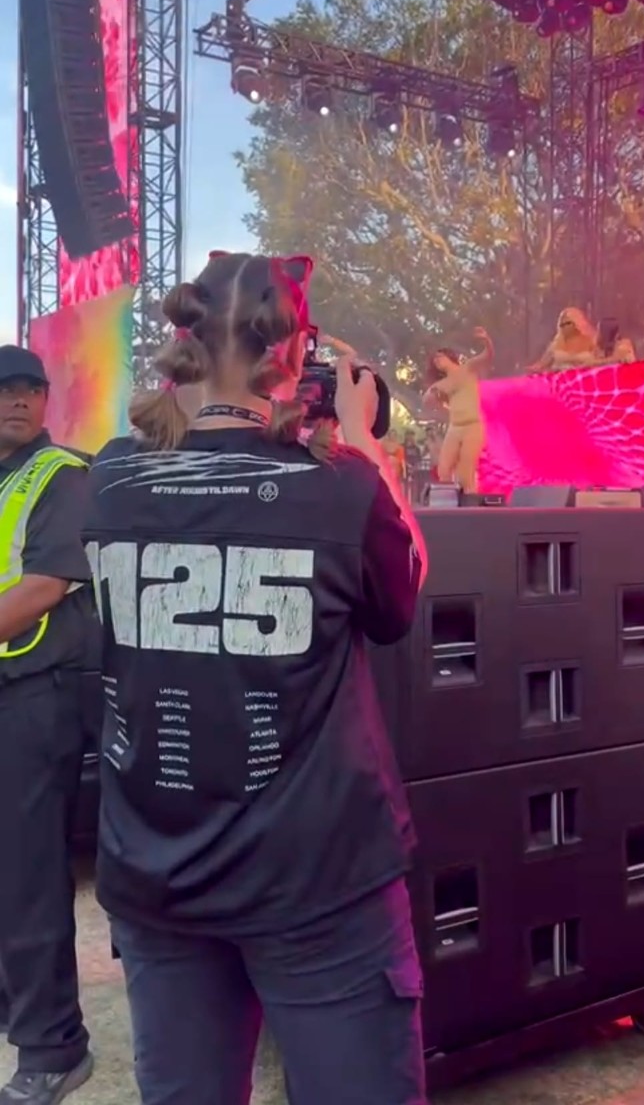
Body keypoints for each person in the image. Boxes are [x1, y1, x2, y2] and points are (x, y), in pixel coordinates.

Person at [84, 252, 428, 1105]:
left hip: (153, 874)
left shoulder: (107, 480)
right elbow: (401, 600)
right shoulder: (341, 485)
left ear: (185, 344)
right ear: (292, 352)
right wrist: (364, 449)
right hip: (320, 884)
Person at [0, 345, 97, 1105]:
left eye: (30, 390)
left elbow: (44, 585)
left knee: (28, 877)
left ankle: (53, 1046)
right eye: (5, 391)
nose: (18, 401)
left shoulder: (61, 473)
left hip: (35, 695)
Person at [423, 327, 493, 495]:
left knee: (466, 470)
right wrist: (436, 398)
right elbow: (426, 402)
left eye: (440, 356)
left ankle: (470, 502)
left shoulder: (467, 368)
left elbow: (487, 355)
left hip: (473, 425)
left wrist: (486, 340)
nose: (437, 360)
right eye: (435, 360)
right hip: (455, 427)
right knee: (443, 469)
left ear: (450, 356)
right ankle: (448, 501)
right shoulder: (442, 384)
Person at [531, 307, 597, 372]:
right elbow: (541, 365)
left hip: (584, 378)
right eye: (562, 325)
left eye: (568, 323)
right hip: (560, 379)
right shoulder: (556, 344)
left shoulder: (591, 341)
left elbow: (599, 361)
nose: (564, 327)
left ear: (577, 322)